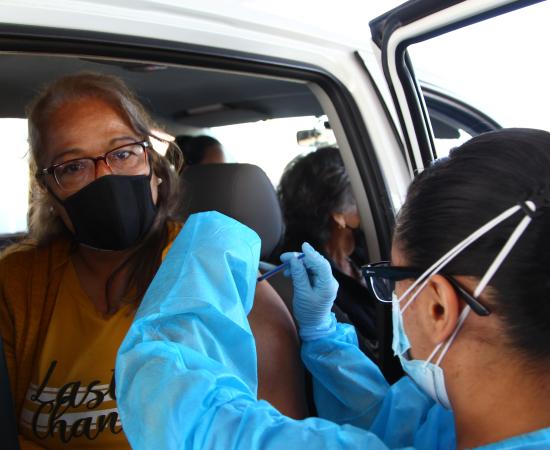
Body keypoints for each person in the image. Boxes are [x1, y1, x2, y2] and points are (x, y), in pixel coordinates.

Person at [117, 128, 550, 449]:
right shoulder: (465, 421)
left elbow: (175, 412)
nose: (394, 298)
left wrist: (208, 247)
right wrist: (324, 336)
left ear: (438, 307)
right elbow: (385, 421)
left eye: (393, 279)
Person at [0, 72, 307, 450]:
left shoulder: (224, 275)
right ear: (48, 190)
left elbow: (282, 436)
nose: (105, 176)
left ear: (154, 168)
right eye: (73, 166)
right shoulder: (17, 283)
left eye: (123, 153)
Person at [276, 147, 378, 357]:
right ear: (339, 214)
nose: (373, 200)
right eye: (362, 192)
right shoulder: (309, 279)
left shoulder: (367, 250)